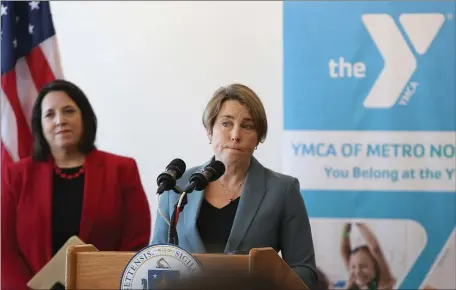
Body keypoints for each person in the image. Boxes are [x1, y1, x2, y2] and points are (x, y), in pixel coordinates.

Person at [152, 83, 317, 288]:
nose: (235, 135)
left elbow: (305, 271)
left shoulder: (282, 190)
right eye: (226, 123)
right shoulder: (178, 187)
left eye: (247, 126)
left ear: (258, 138)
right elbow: (153, 262)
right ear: (209, 130)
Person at [1, 79, 151, 290]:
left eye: (69, 111)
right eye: (50, 114)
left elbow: (135, 241)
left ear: (85, 117)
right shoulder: (14, 175)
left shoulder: (121, 169)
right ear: (39, 125)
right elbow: (4, 250)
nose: (60, 120)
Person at [340, 223, 396, 290]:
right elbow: (344, 251)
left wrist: (358, 222)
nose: (357, 271)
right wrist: (346, 228)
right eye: (353, 267)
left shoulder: (383, 282)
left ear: (376, 267)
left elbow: (375, 249)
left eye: (364, 266)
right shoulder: (354, 281)